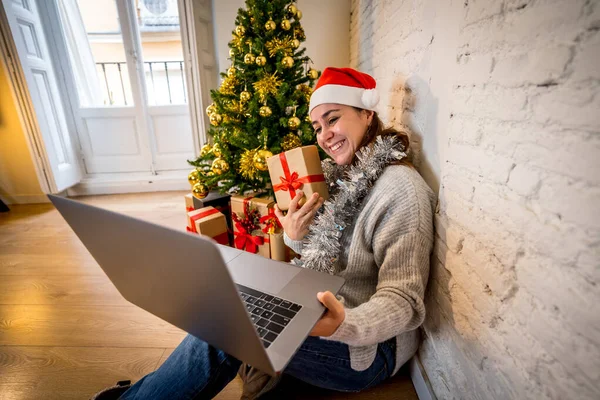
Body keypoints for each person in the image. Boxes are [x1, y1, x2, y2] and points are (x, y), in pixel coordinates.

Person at [117, 67, 436, 399]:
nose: (325, 134)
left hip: (367, 347)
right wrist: (296, 235)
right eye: (317, 127)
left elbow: (405, 303)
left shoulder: (401, 191)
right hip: (319, 305)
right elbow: (324, 253)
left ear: (367, 113)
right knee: (228, 294)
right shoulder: (334, 176)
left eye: (333, 119)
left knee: (230, 323)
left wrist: (342, 325)